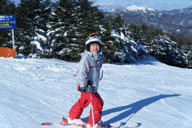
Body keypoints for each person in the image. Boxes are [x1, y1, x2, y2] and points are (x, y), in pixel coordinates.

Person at [68, 33, 104, 128]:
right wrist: (84, 85)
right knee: (98, 103)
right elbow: (81, 72)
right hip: (87, 86)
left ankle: (72, 117)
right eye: (92, 46)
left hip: (92, 85)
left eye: (97, 45)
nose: (95, 48)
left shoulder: (97, 57)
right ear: (88, 47)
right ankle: (93, 123)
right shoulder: (86, 57)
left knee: (83, 101)